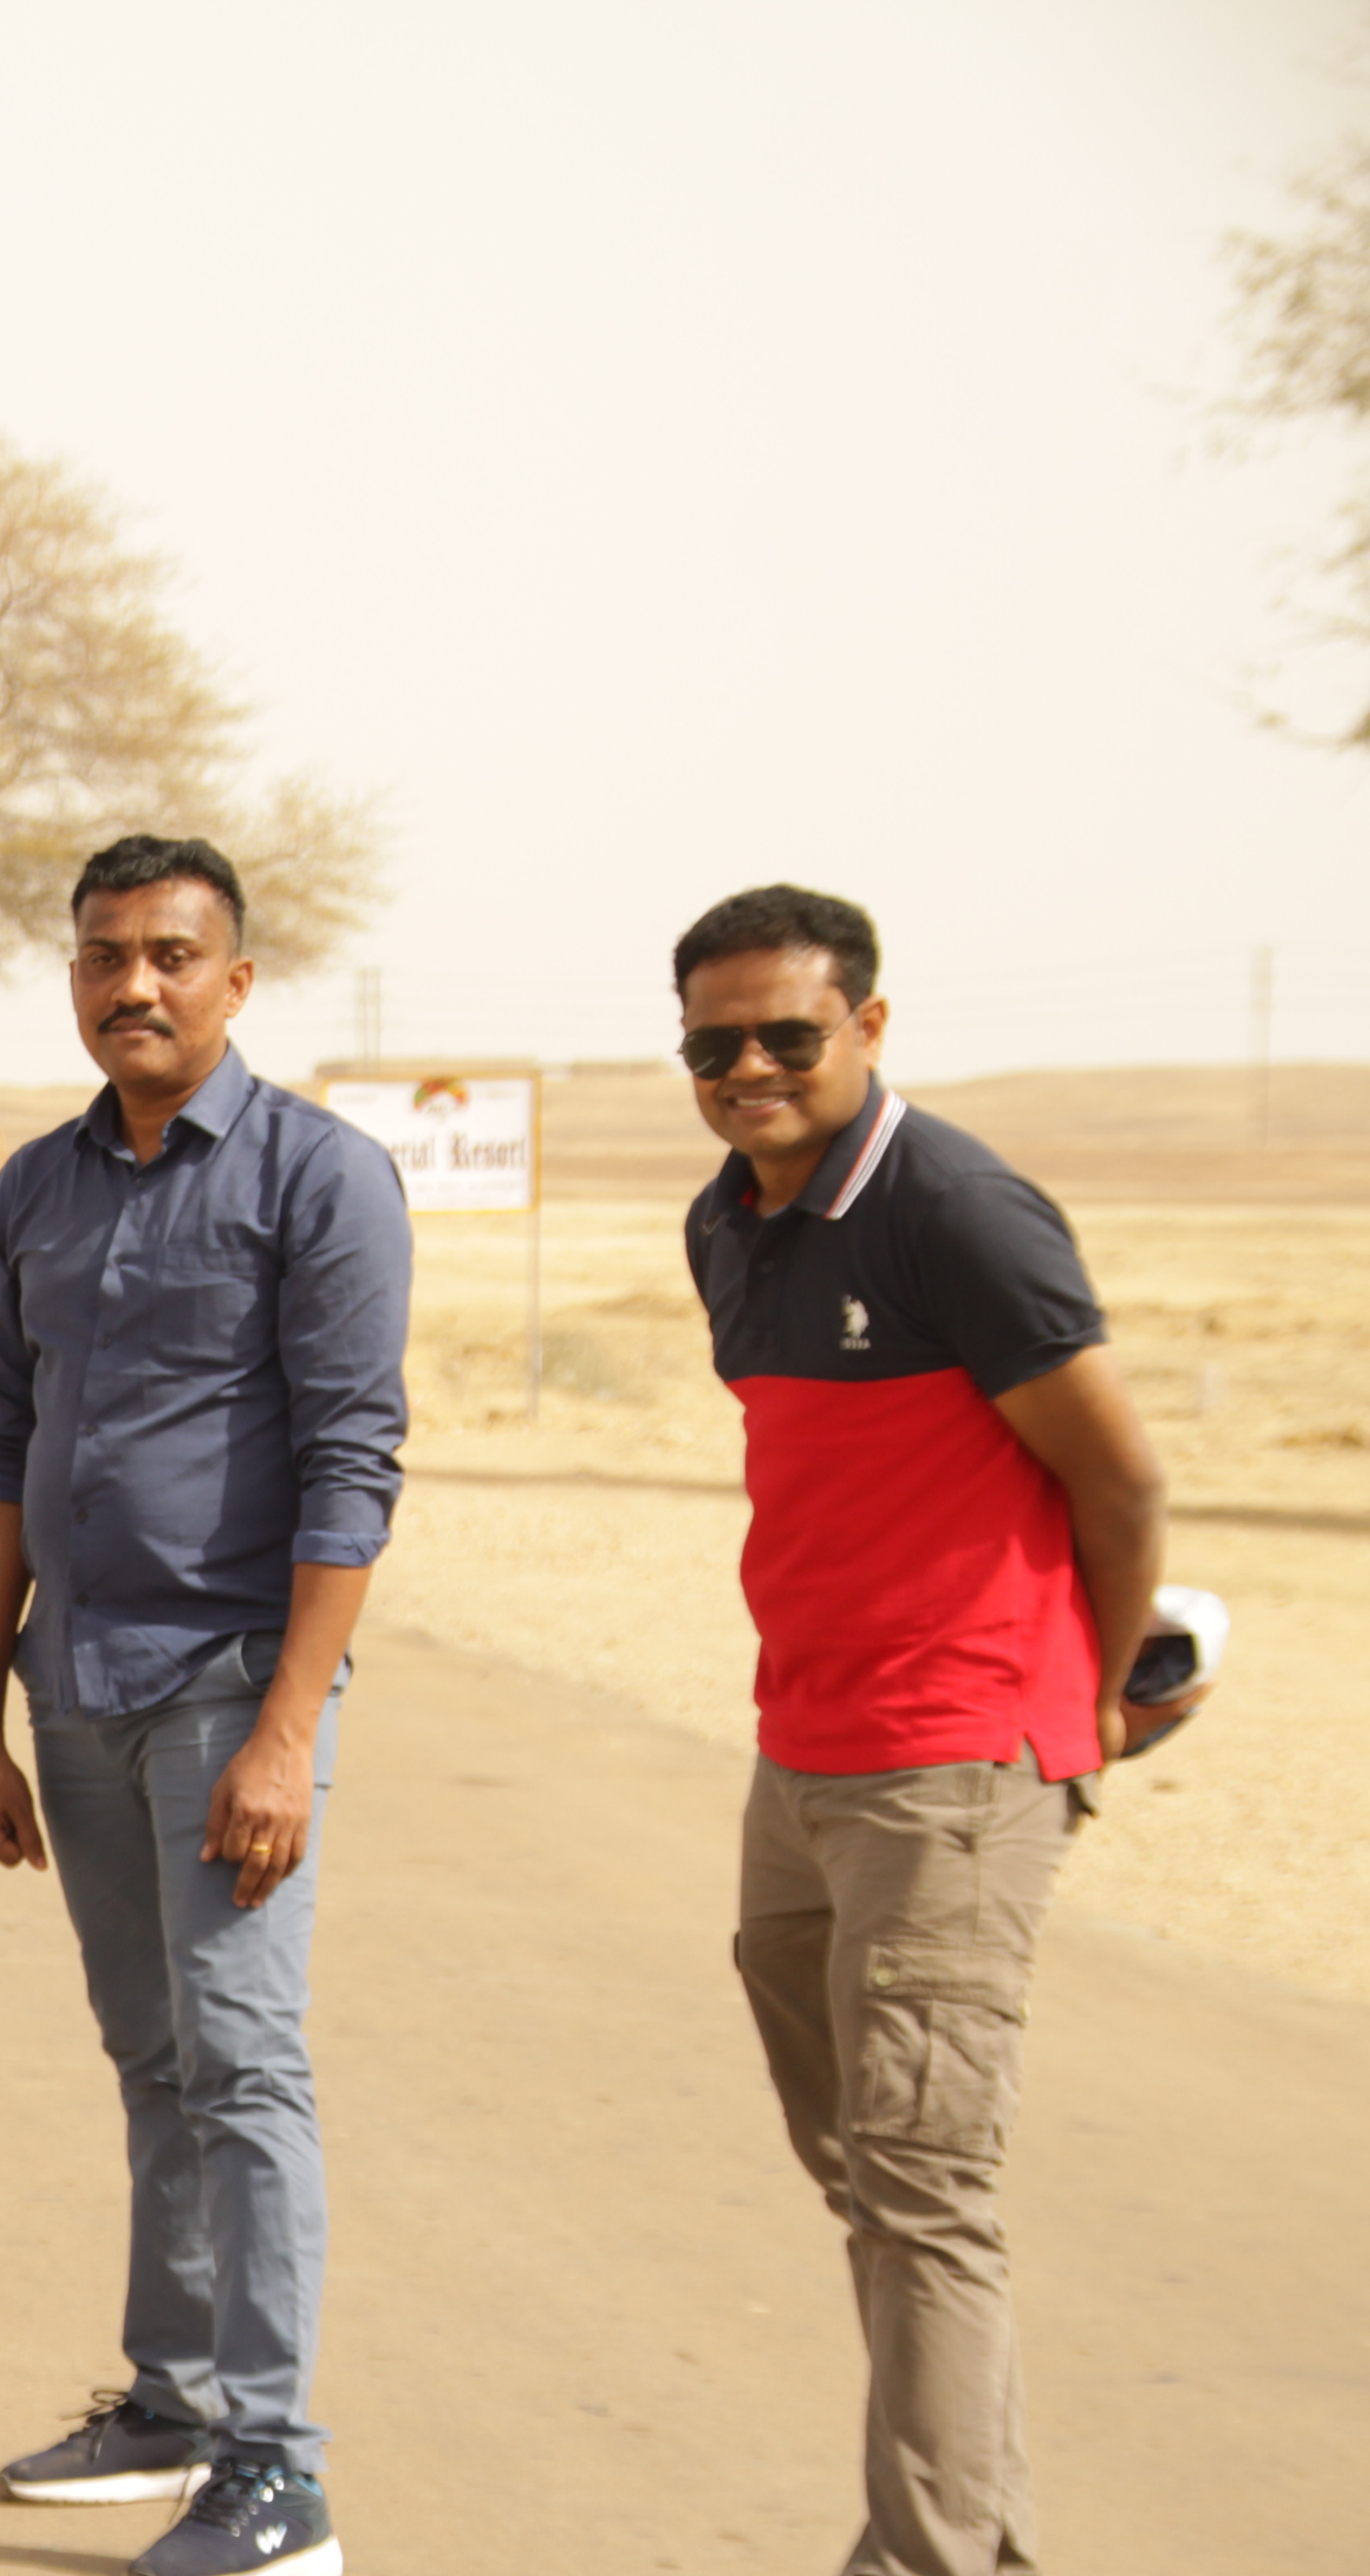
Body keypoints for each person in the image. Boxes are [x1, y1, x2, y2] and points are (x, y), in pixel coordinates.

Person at [671, 885, 1194, 2576]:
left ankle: (930, 2556)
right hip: (801, 1752)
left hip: (953, 1759)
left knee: (921, 2186)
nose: (749, 1067)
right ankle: (975, 2530)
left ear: (869, 1026)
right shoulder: (724, 1225)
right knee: (874, 2175)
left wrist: (1086, 1696)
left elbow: (1120, 1481)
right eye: (713, 1044)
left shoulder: (957, 1210)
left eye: (787, 1033)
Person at [0, 835, 407, 2576]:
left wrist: (288, 1729)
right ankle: (175, 2398)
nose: (131, 983)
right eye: (101, 955)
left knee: (241, 2063)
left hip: (230, 1688)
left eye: (167, 953)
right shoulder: (35, 1187)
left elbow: (353, 1461)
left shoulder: (319, 1177)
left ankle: (278, 2474)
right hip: (73, 1687)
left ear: (235, 979)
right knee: (152, 2054)